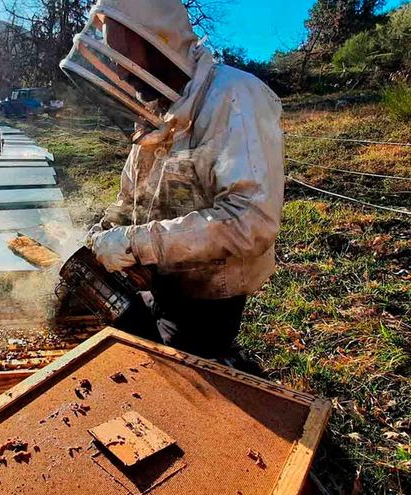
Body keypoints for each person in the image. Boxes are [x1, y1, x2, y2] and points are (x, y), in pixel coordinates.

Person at [59, 0, 284, 364]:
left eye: (129, 64)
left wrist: (134, 243)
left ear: (158, 43)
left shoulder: (234, 97)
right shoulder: (156, 114)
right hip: (159, 282)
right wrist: (103, 233)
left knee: (175, 375)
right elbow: (131, 199)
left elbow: (251, 220)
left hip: (211, 295)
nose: (127, 77)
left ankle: (225, 362)